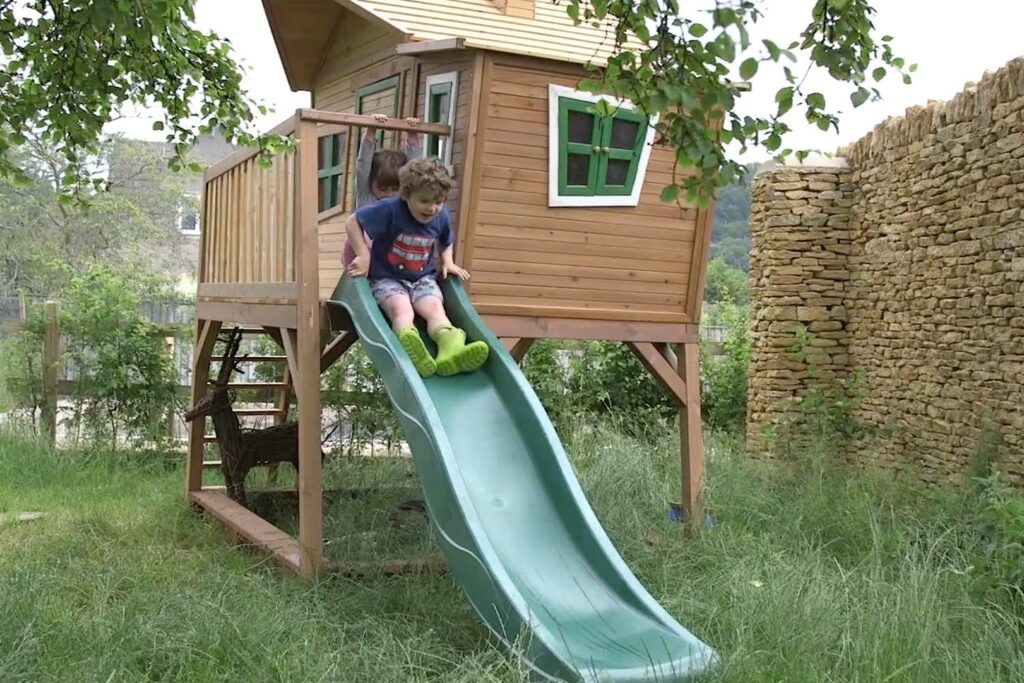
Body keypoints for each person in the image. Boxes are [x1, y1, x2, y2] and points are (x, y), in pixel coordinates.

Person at [344, 157, 489, 378]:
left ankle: (451, 346)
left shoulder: (440, 216)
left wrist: (448, 262)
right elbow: (352, 222)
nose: (432, 208)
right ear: (405, 195)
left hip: (422, 279)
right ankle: (410, 344)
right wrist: (364, 255)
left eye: (438, 202)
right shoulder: (390, 209)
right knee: (401, 308)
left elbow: (445, 240)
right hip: (387, 278)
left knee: (434, 310)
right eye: (424, 201)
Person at [355, 114, 423, 209]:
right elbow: (363, 164)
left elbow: (415, 168)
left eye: (396, 189)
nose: (389, 195)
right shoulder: (366, 196)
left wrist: (412, 131)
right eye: (382, 189)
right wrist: (372, 128)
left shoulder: (405, 200)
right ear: (370, 182)